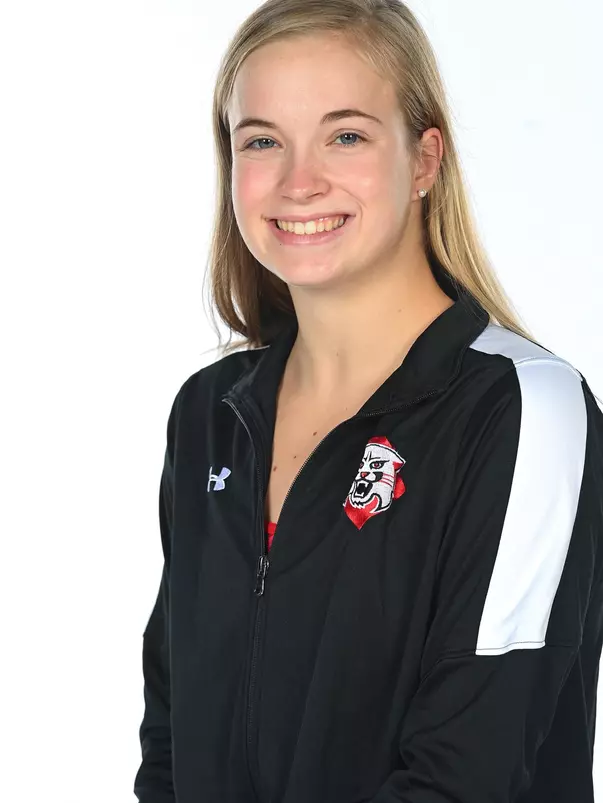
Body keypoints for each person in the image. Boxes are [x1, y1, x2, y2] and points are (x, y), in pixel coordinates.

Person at [133, 1, 603, 801]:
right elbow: (170, 741)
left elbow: (469, 773)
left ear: (424, 160)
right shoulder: (211, 415)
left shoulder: (522, 408)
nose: (298, 181)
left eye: (344, 135)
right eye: (262, 141)